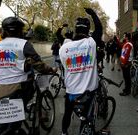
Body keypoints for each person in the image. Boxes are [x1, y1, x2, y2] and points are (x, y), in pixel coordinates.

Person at [0, 17, 57, 134]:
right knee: (33, 88)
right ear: (20, 31)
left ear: (4, 31)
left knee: (6, 122)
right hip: (20, 87)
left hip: (1, 87)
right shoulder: (24, 44)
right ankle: (37, 119)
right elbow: (39, 64)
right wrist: (51, 70)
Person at [59, 7, 102, 135]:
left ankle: (64, 132)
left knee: (67, 113)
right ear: (88, 30)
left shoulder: (64, 47)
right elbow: (99, 29)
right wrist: (93, 14)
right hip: (88, 91)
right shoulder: (91, 43)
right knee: (86, 118)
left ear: (76, 30)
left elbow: (64, 66)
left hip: (71, 90)